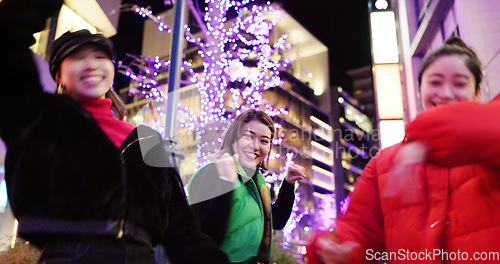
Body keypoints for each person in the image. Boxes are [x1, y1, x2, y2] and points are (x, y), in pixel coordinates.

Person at [0, 0, 229, 263]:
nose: (91, 65)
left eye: (100, 57)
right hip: (69, 256)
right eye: (76, 57)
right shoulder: (39, 119)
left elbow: (181, 229)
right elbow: (6, 39)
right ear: (58, 74)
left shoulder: (146, 140)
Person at [307, 36, 500, 264]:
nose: (446, 93)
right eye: (435, 83)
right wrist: (332, 249)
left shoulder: (490, 143)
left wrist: (425, 136)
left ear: (478, 92)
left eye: (460, 83)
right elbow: (359, 228)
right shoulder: (383, 164)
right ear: (419, 90)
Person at [187, 109, 306, 264]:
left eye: (264, 141)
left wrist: (288, 184)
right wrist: (225, 182)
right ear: (234, 137)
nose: (256, 146)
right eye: (248, 136)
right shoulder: (213, 172)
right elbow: (201, 235)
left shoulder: (257, 181)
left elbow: (275, 220)